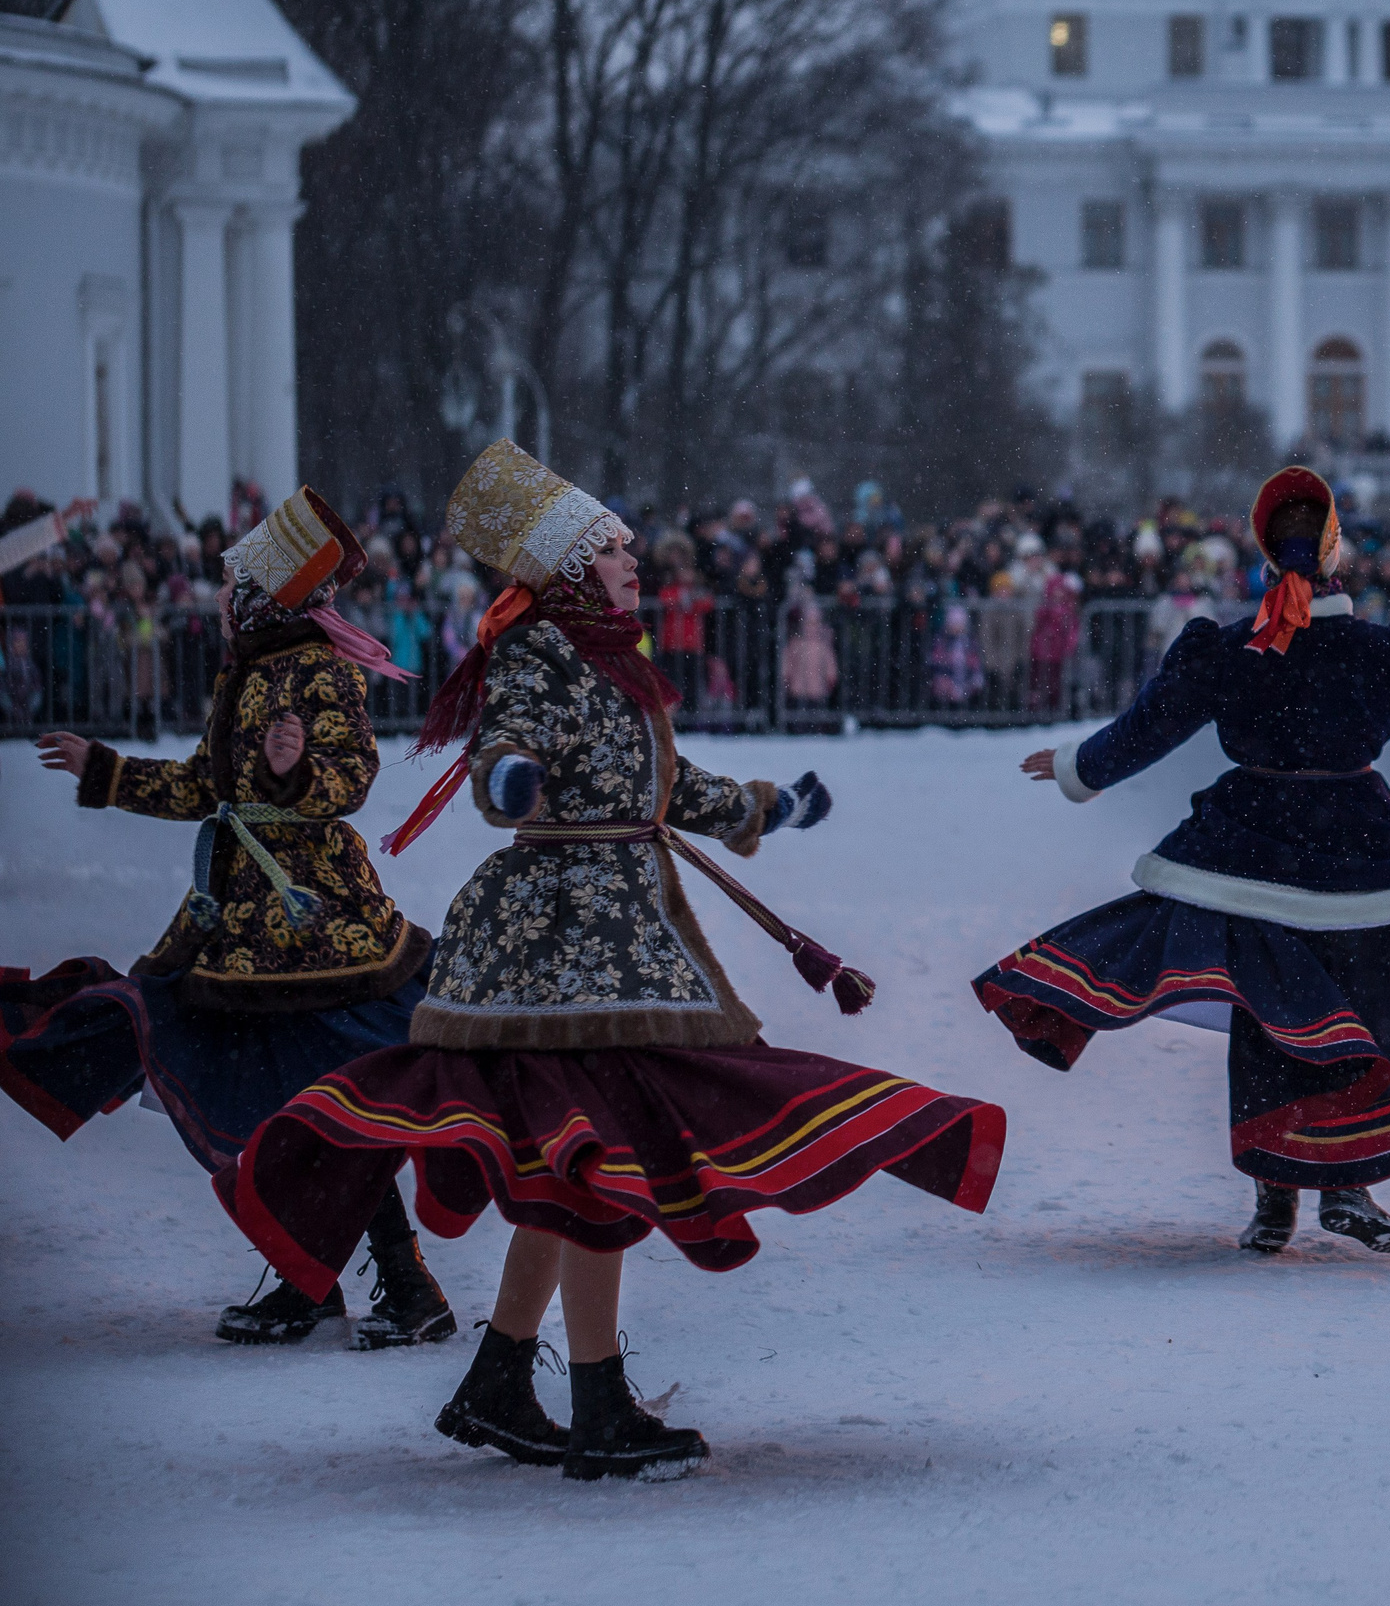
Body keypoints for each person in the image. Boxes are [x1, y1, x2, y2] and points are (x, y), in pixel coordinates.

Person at [213, 442, 1006, 1482]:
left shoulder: (615, 662)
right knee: (602, 1164)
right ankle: (595, 1404)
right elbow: (511, 740)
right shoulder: (541, 648)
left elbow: (664, 788)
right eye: (619, 549)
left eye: (631, 546)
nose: (637, 561)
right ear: (577, 568)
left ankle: (504, 1381)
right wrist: (505, 779)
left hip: (624, 939)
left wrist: (773, 806)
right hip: (560, 951)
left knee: (570, 1166)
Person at [975, 467, 1390, 1254]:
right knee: (1351, 1009)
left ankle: (1280, 1195)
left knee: (1272, 1008)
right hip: (1357, 848)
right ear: (1339, 560)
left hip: (1245, 839)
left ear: (1263, 560)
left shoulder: (1230, 650)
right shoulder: (1380, 650)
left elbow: (1148, 728)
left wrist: (1077, 765)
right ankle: (1337, 1184)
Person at [2, 487, 451, 1350]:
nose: (216, 589)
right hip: (238, 925)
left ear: (265, 589)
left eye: (232, 575)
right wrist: (110, 771)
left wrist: (294, 769)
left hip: (314, 928)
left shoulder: (318, 665)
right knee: (293, 1104)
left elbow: (352, 775)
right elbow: (206, 787)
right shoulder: (243, 667)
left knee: (323, 1100)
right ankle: (326, 1278)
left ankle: (389, 1282)